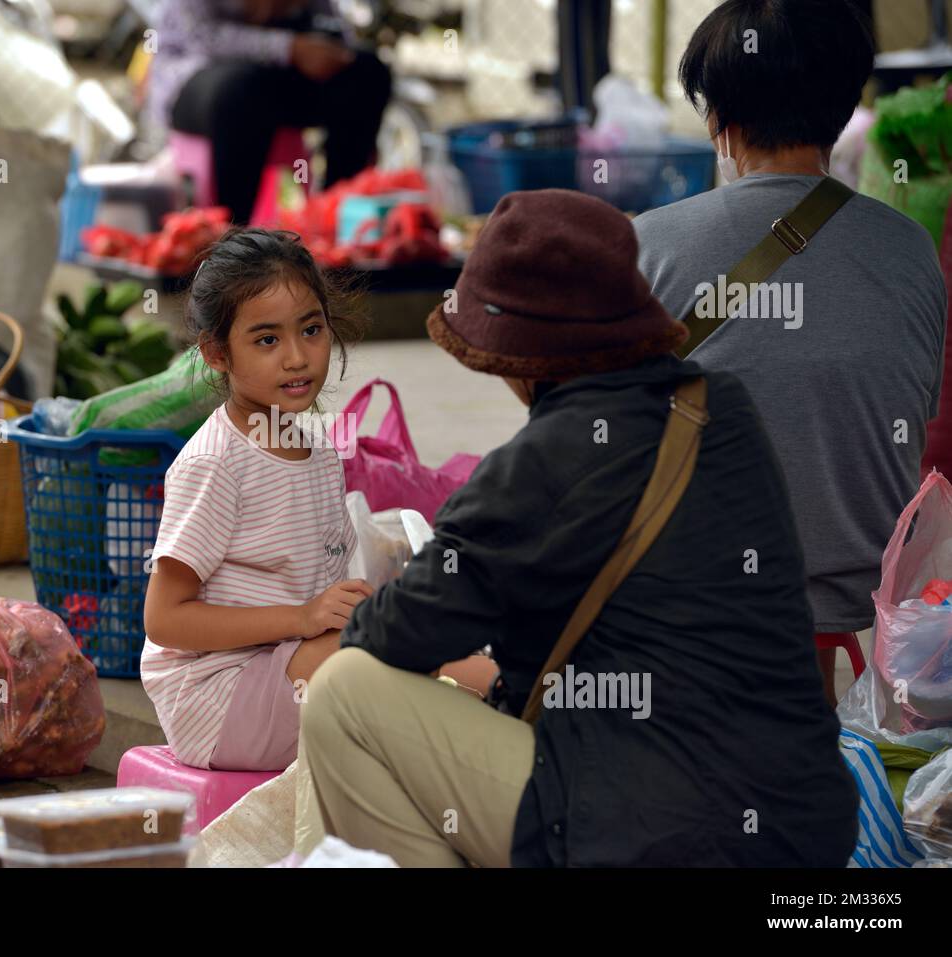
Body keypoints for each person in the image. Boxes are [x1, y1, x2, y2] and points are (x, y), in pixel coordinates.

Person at [295, 190, 859, 867]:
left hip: (657, 832)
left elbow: (385, 636)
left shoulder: (541, 465)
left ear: (518, 356)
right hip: (800, 826)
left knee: (341, 695)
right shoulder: (723, 405)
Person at [632, 0, 947, 704]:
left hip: (704, 596)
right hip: (875, 602)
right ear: (843, 109)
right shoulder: (910, 249)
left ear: (720, 121)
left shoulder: (647, 244)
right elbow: (909, 407)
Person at [141, 228, 489, 771]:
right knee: (390, 661)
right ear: (216, 353)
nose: (298, 357)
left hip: (290, 661)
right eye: (266, 340)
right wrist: (303, 617)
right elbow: (165, 620)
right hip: (217, 698)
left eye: (311, 329)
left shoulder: (317, 447)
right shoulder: (216, 464)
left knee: (470, 662)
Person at [147, 0, 392, 224]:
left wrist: (327, 49)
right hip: (200, 77)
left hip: (276, 80)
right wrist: (289, 48)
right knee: (241, 90)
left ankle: (338, 218)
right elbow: (201, 36)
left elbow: (334, 30)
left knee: (367, 72)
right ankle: (231, 240)